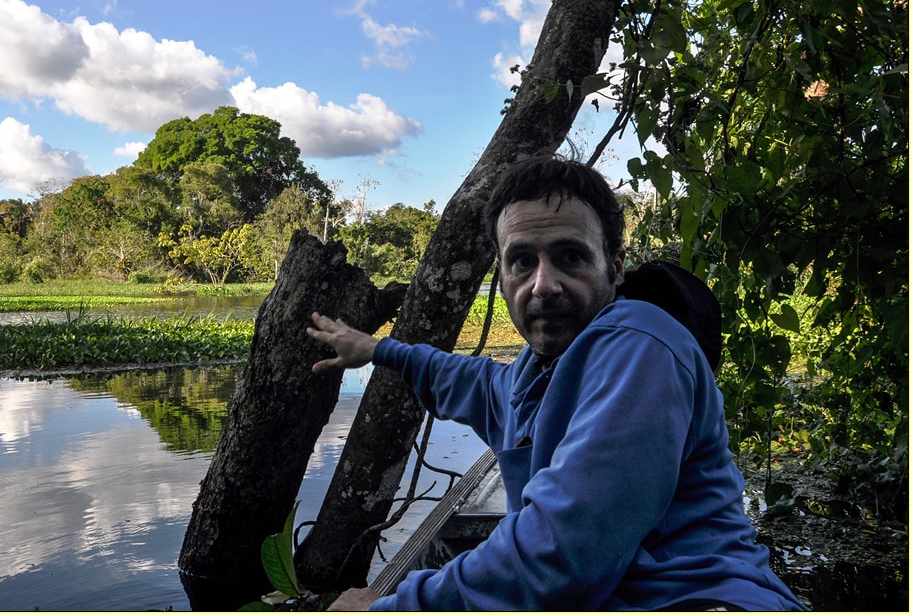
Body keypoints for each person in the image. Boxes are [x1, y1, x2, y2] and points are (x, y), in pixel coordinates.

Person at [306, 157, 806, 611]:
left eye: (570, 257)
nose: (543, 284)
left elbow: (562, 554)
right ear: (501, 279)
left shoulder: (641, 343)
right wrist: (375, 349)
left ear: (615, 268)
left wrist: (388, 609)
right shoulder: (527, 378)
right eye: (522, 261)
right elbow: (459, 374)